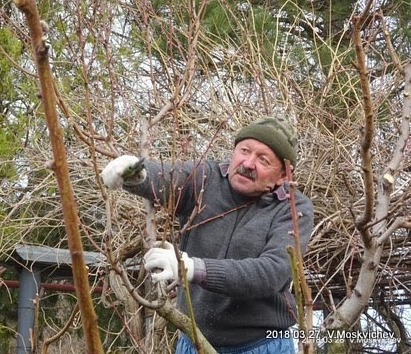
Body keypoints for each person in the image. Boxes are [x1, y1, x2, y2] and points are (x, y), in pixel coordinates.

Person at [101, 117, 314, 354]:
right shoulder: (205, 177)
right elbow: (168, 178)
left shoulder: (293, 208)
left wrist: (192, 268)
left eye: (263, 160)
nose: (248, 163)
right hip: (192, 341)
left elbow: (272, 273)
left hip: (261, 346)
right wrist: (135, 172)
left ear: (284, 175)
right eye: (244, 151)